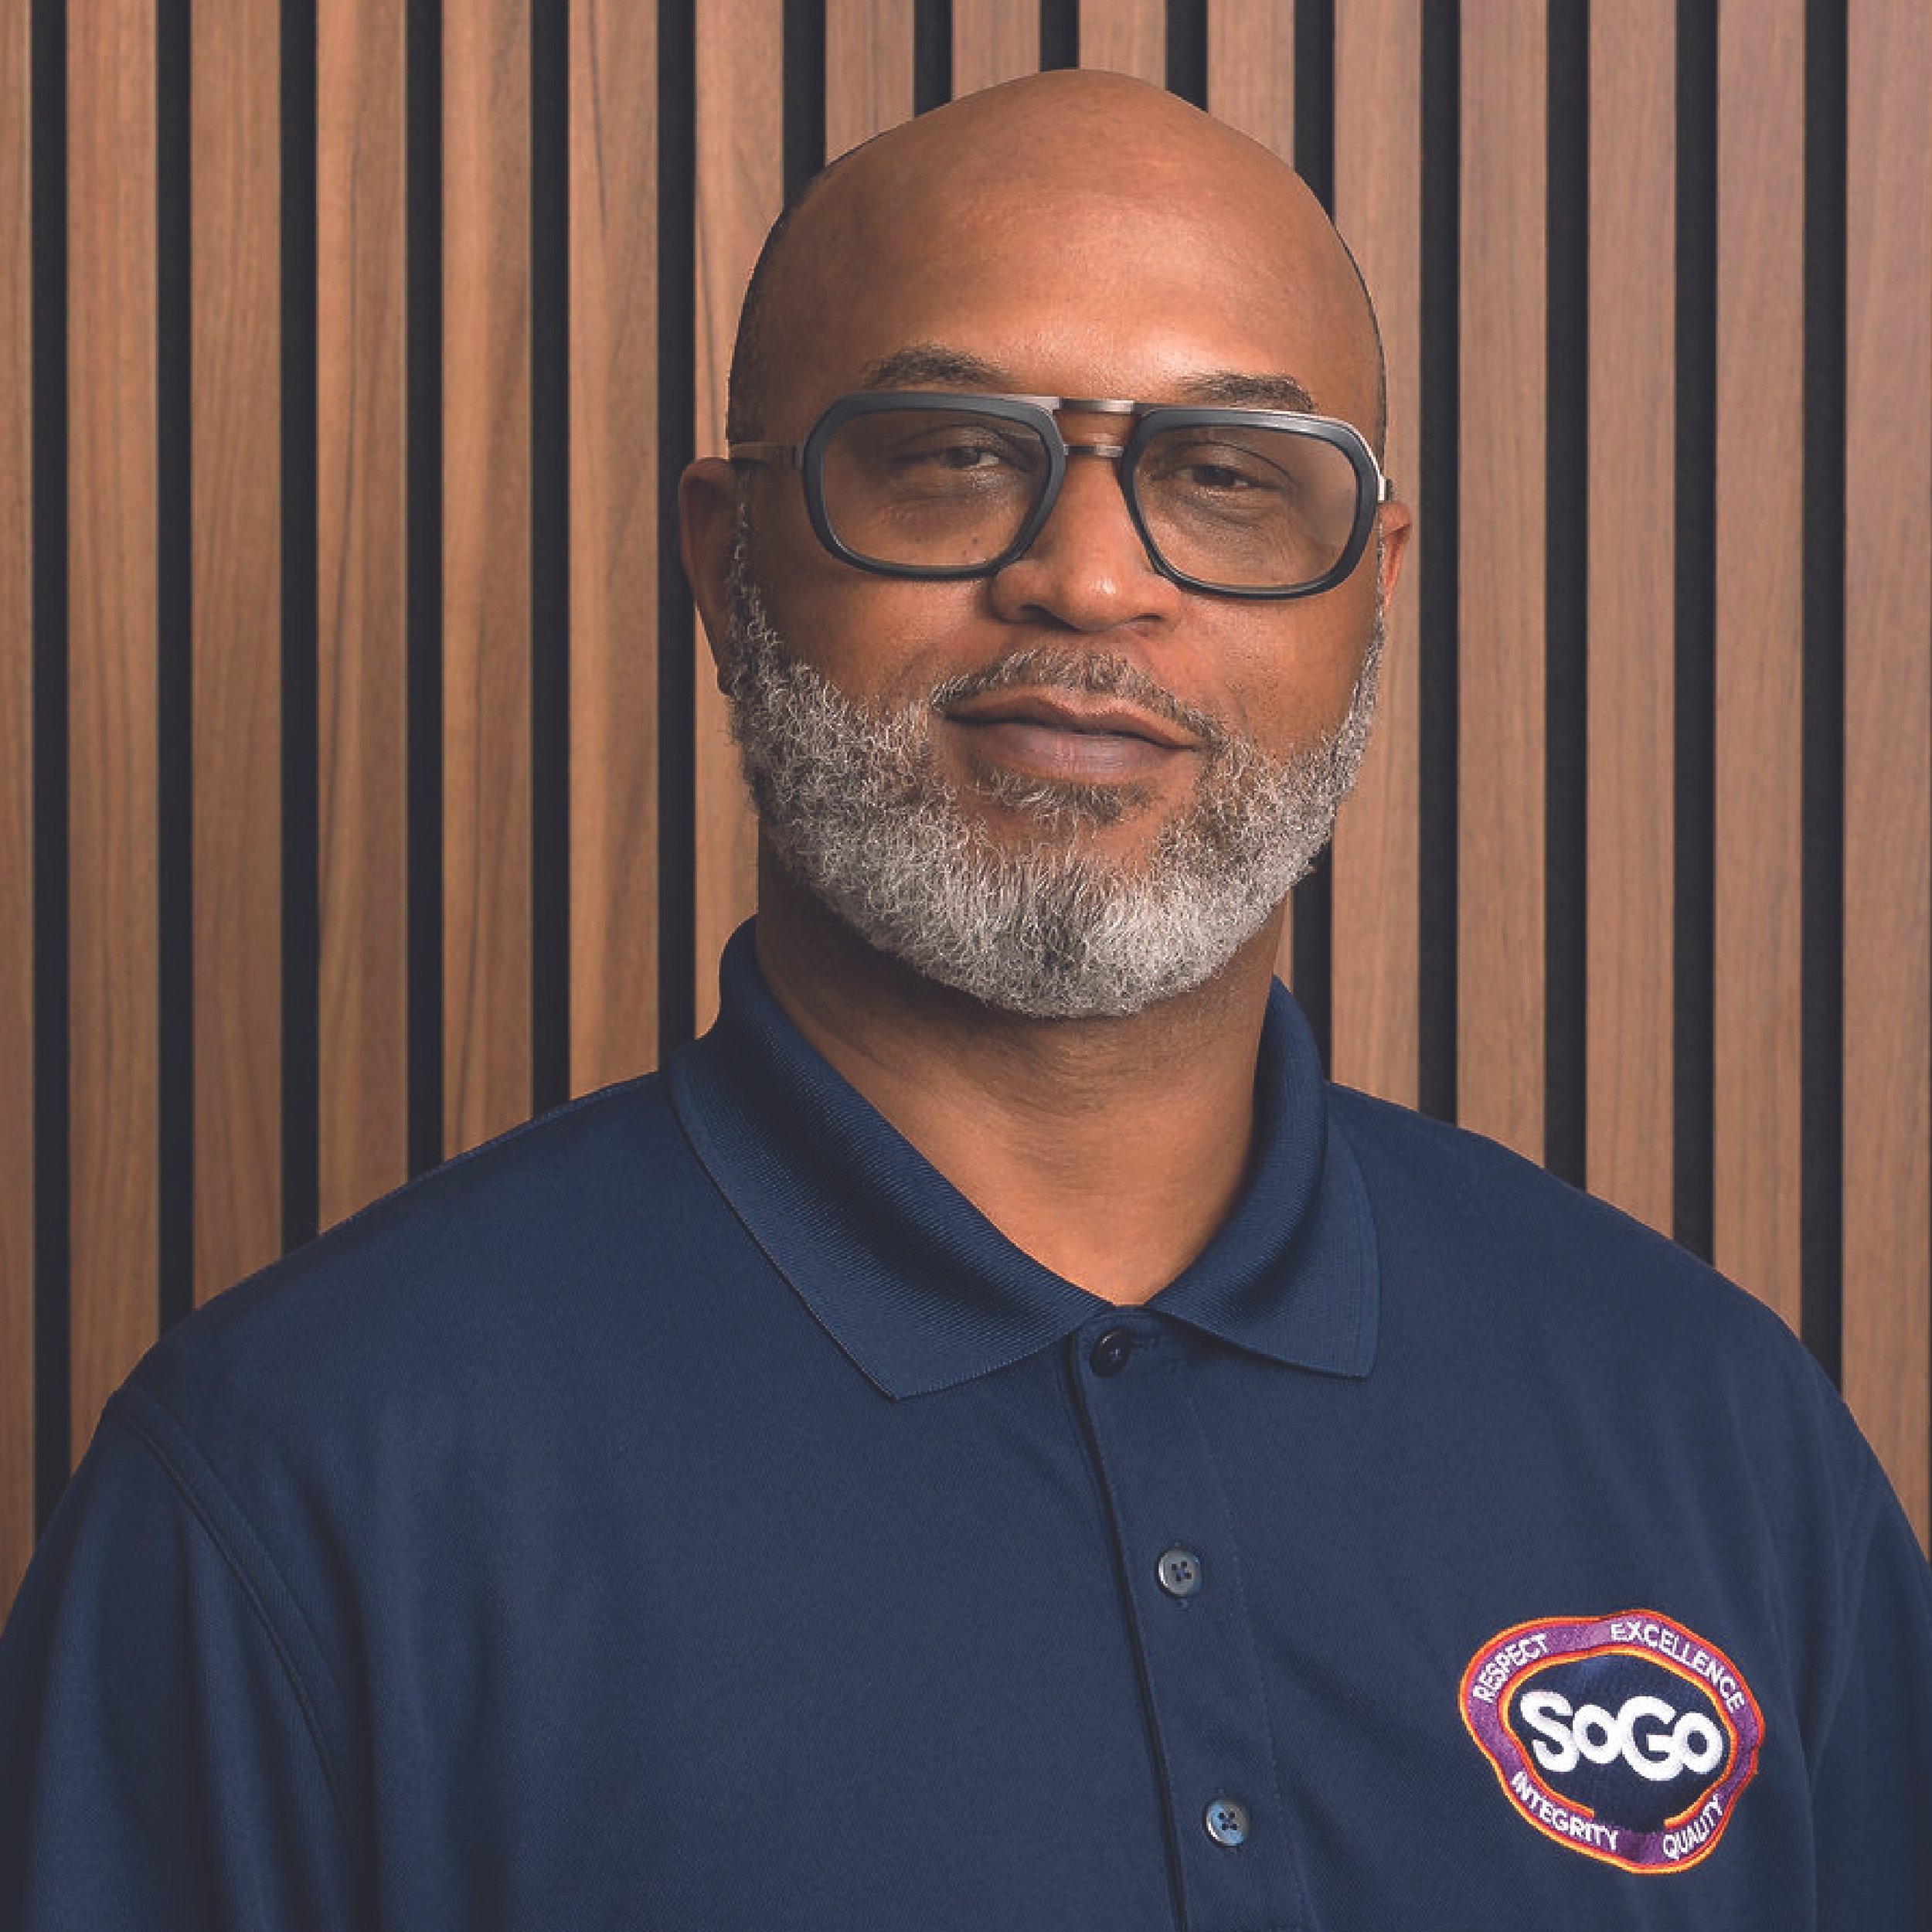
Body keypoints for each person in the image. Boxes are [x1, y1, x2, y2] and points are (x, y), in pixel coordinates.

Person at [2, 67, 1928, 1930]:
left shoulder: (1710, 1429)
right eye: (948, 457)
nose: (1088, 578)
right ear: (724, 554)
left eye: (1229, 476)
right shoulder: (296, 1492)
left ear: (1369, 594)